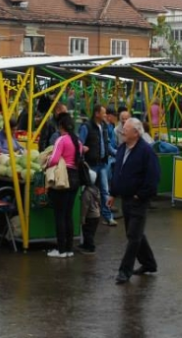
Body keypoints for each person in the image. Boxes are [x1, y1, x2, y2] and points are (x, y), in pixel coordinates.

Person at [110, 118, 160, 283]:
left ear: (136, 133)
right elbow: (118, 171)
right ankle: (149, 263)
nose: (123, 131)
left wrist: (142, 194)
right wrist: (113, 193)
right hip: (125, 198)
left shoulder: (146, 151)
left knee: (133, 236)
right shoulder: (122, 148)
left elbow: (153, 176)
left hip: (138, 200)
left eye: (126, 129)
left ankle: (125, 271)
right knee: (134, 234)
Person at [46, 113, 84, 258]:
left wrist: (46, 163)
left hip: (62, 178)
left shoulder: (61, 140)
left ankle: (60, 250)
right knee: (68, 215)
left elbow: (54, 159)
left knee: (59, 215)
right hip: (75, 179)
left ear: (61, 126)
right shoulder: (78, 142)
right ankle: (69, 249)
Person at [79, 105, 116, 226]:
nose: (105, 115)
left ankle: (107, 216)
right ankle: (88, 217)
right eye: (103, 113)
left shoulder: (104, 126)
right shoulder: (86, 127)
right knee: (89, 192)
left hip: (103, 163)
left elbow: (107, 144)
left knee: (105, 191)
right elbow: (80, 144)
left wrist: (116, 153)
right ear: (97, 114)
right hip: (91, 165)